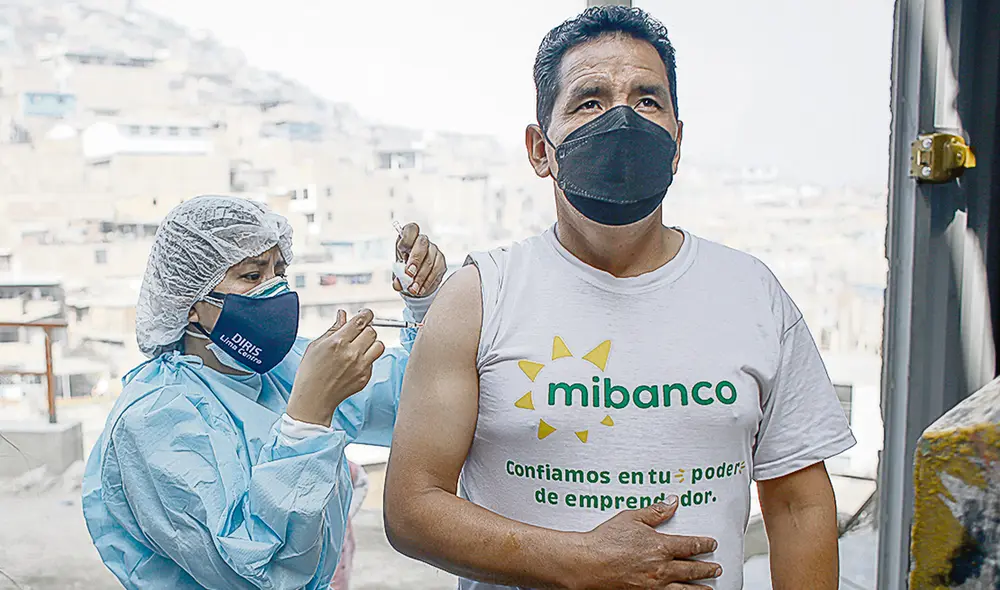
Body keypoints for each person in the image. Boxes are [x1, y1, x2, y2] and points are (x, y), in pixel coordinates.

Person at [383, 6, 855, 590]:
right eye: (590, 101)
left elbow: (798, 506)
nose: (623, 119)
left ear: (677, 142)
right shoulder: (479, 297)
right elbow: (411, 509)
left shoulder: (753, 294)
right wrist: (584, 561)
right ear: (540, 150)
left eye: (648, 100)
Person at [81, 195, 446, 590]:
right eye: (253, 277)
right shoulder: (154, 418)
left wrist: (423, 304)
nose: (274, 291)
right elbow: (261, 574)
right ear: (189, 303)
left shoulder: (282, 367)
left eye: (279, 272)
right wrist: (307, 419)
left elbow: (414, 401)